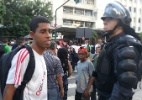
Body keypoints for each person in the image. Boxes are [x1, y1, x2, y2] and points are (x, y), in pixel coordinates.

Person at [84, 1, 142, 100]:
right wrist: (88, 88)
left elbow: (122, 91)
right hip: (103, 94)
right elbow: (98, 70)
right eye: (104, 19)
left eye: (110, 19)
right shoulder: (111, 43)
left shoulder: (125, 46)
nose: (104, 22)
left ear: (121, 22)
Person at [3, 16, 51, 100]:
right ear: (32, 34)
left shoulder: (42, 54)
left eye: (49, 31)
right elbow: (9, 90)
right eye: (43, 32)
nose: (48, 35)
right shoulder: (25, 55)